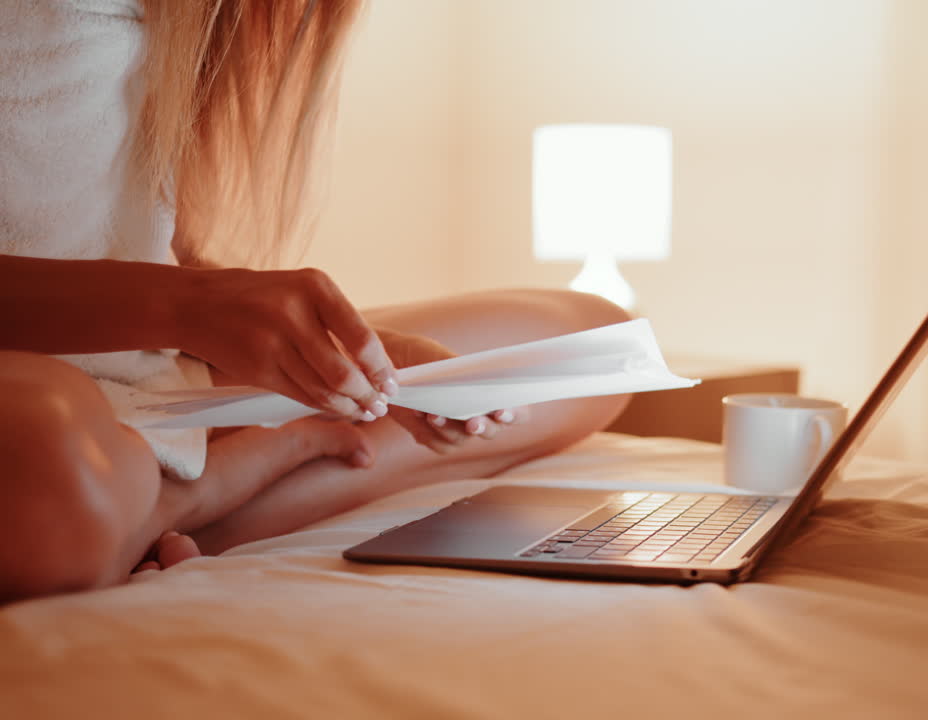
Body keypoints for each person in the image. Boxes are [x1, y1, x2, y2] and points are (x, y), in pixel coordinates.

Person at [0, 0, 630, 602]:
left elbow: (140, 244)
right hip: (41, 400)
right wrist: (186, 307)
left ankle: (129, 514)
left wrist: (337, 351)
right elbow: (172, 295)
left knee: (589, 347)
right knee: (43, 446)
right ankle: (181, 502)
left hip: (138, 390)